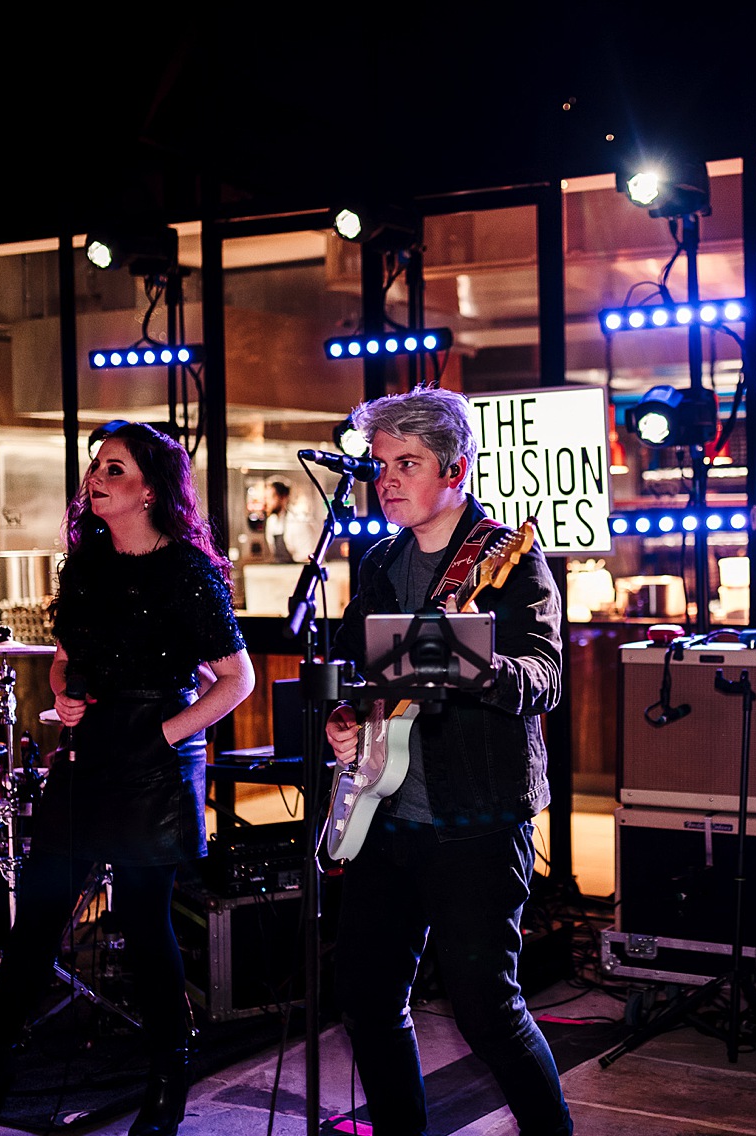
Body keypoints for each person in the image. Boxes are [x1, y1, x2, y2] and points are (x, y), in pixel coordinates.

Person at [0, 421, 254, 1136]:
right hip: (85, 757)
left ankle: (170, 1075)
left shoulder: (188, 574)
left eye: (114, 468)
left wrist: (159, 734)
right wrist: (66, 692)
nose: (96, 479)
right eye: (96, 467)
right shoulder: (86, 565)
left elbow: (236, 680)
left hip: (150, 766)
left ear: (149, 491)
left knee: (143, 924)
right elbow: (63, 660)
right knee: (39, 917)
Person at [324, 386, 572, 1136]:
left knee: (486, 1007)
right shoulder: (378, 563)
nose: (388, 478)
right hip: (380, 812)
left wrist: (475, 667)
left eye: (408, 462)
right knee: (368, 1001)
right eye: (380, 464)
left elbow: (546, 679)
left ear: (456, 468)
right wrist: (344, 720)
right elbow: (352, 665)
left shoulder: (509, 560)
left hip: (476, 816)